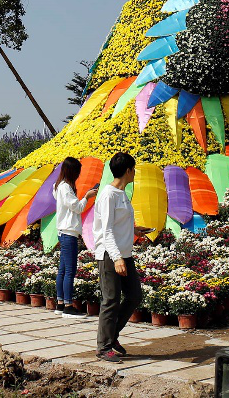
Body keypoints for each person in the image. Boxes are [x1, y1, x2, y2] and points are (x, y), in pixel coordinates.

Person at [93, 151, 142, 364]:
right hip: (110, 255)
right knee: (110, 300)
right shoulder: (108, 195)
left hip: (124, 253)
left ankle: (112, 336)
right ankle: (104, 347)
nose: (134, 173)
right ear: (128, 170)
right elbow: (107, 231)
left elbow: (118, 225)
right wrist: (116, 258)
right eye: (134, 169)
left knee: (134, 296)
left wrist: (135, 231)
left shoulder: (122, 194)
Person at [54, 156, 97, 318]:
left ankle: (60, 303)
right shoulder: (65, 187)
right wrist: (87, 197)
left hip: (64, 232)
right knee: (69, 270)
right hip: (68, 232)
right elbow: (77, 207)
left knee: (63, 270)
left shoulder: (59, 186)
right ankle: (68, 305)